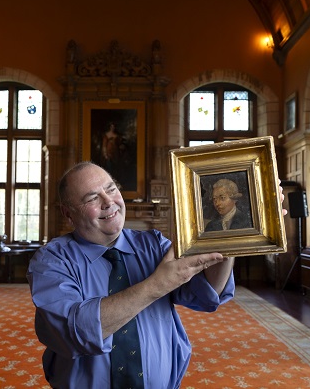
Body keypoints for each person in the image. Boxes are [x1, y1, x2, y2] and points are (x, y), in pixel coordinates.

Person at [27, 162, 235, 388]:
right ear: (68, 214)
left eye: (111, 189)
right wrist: (156, 286)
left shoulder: (154, 245)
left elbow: (206, 291)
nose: (108, 202)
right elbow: (74, 331)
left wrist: (230, 237)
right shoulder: (52, 260)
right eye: (92, 198)